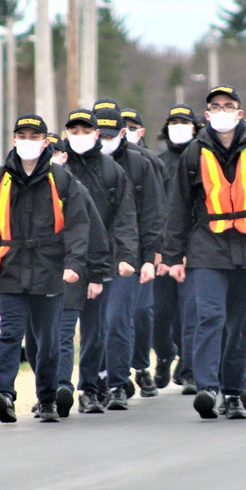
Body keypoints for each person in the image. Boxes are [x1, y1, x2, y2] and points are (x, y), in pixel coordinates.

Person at [160, 85, 246, 420]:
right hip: (206, 248)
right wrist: (172, 256)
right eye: (215, 107)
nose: (222, 111)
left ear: (239, 113)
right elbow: (178, 208)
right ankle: (207, 387)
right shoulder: (193, 154)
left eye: (229, 106)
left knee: (240, 325)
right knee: (210, 316)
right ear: (206, 116)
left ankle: (234, 392)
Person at [0, 114, 90, 423]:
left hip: (49, 270)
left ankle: (48, 398)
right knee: (10, 332)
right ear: (14, 139)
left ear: (45, 142)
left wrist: (74, 263)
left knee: (48, 339)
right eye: (22, 135)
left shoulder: (62, 179)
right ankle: (3, 394)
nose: (28, 141)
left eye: (34, 136)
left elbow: (79, 225)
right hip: (11, 269)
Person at [61, 108, 139, 413]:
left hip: (101, 261)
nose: (79, 137)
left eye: (85, 131)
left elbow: (125, 217)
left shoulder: (111, 171)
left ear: (96, 134)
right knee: (61, 331)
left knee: (100, 329)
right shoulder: (58, 168)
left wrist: (126, 256)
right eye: (74, 131)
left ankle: (97, 387)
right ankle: (55, 389)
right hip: (65, 261)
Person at [96, 107, 163, 408]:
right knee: (95, 323)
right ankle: (94, 378)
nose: (103, 140)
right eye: (100, 134)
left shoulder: (142, 163)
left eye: (110, 135)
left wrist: (151, 255)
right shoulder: (79, 163)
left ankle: (120, 382)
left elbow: (154, 213)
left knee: (122, 318)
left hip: (129, 253)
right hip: (91, 256)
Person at [43, 133, 112, 418]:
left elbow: (95, 233)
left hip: (73, 271)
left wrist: (96, 274)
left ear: (64, 157)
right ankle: (45, 390)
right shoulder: (19, 187)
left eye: (55, 152)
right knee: (40, 339)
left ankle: (68, 389)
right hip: (39, 274)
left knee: (66, 333)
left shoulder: (74, 188)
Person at [153, 105, 200, 392]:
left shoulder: (202, 161)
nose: (179, 126)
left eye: (185, 122)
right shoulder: (157, 164)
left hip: (196, 250)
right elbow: (155, 211)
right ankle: (164, 355)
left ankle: (191, 368)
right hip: (162, 252)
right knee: (160, 313)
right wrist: (158, 250)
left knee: (192, 312)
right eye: (174, 122)